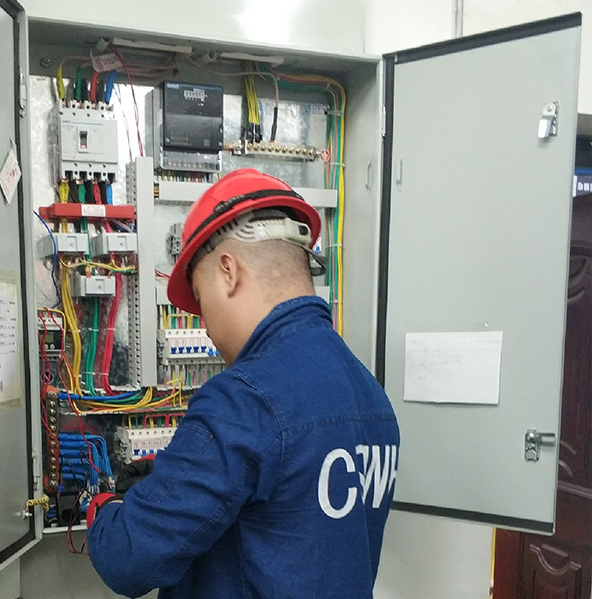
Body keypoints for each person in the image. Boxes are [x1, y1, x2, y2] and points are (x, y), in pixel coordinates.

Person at [85, 169, 400, 599]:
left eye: (201, 300)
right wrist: (172, 481)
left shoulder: (243, 399)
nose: (206, 327)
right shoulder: (373, 397)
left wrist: (104, 505)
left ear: (228, 271)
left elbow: (127, 558)